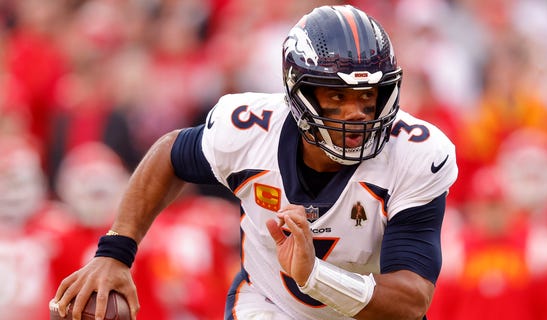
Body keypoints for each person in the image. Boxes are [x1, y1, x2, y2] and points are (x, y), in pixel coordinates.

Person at [51, 5, 458, 320]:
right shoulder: (248, 131)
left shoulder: (415, 154)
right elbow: (170, 154)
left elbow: (411, 298)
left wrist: (312, 275)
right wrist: (115, 251)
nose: (356, 112)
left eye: (367, 96)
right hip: (268, 306)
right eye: (337, 96)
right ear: (300, 94)